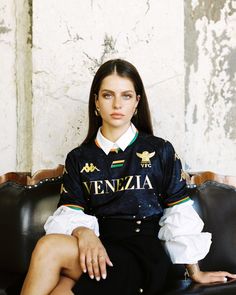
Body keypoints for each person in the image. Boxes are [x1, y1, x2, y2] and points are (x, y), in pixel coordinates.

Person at [20, 59, 236, 295]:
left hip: (142, 255)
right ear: (96, 102)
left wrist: (195, 272)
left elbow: (178, 213)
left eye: (126, 95)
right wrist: (84, 233)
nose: (116, 104)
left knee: (49, 247)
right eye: (107, 95)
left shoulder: (160, 151)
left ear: (137, 102)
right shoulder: (79, 158)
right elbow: (70, 212)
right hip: (98, 250)